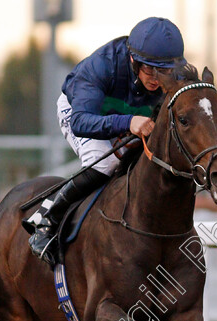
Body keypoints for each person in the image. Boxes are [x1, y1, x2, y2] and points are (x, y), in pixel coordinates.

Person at [25, 16, 185, 264]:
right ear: (133, 60)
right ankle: (46, 220)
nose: (156, 78)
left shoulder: (172, 76)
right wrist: (127, 122)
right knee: (106, 164)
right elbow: (81, 123)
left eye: (164, 70)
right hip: (81, 112)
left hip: (126, 115)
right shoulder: (102, 67)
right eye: (149, 69)